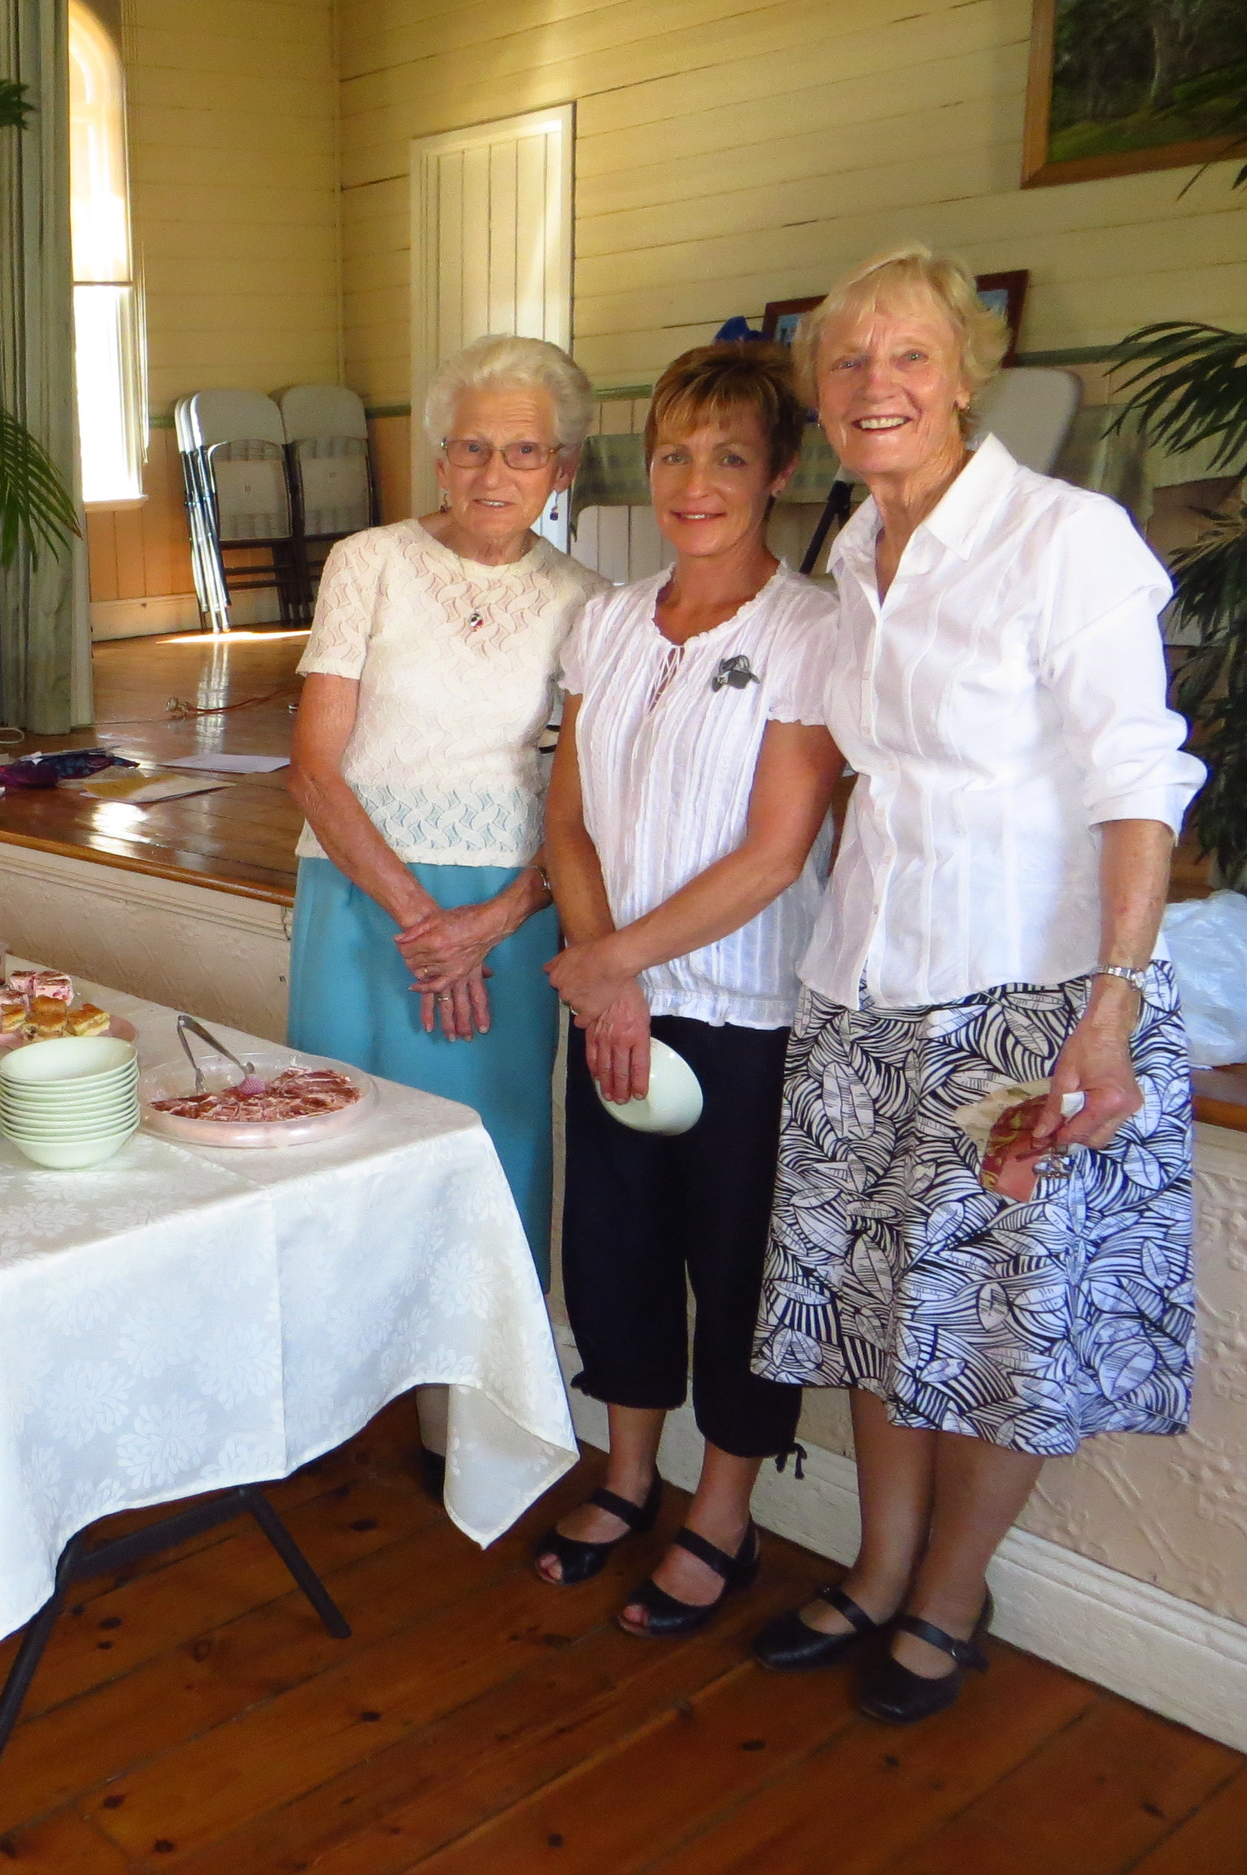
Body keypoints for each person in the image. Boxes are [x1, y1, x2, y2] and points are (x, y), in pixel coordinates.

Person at [745, 243, 1202, 1724]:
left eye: (908, 355)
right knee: (878, 1302)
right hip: (867, 986)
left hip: (1029, 998)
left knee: (1001, 1329)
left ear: (964, 377)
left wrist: (1112, 1004)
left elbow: (1139, 781)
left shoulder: (1065, 537)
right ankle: (880, 1566)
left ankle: (949, 1594)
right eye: (846, 361)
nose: (874, 383)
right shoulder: (856, 549)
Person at [534, 343, 842, 1634]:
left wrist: (616, 963)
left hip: (745, 1014)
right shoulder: (607, 619)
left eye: (727, 456)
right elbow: (569, 821)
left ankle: (723, 1512)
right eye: (673, 454)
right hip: (616, 1002)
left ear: (778, 472)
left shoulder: (812, 630)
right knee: (614, 1247)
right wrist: (606, 975)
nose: (695, 482)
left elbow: (775, 852)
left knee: (737, 1265)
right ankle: (626, 1473)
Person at [288, 334, 609, 1276]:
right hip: (362, 896)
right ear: (440, 458)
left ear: (562, 467)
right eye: (471, 447)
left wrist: (487, 925)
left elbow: (585, 804)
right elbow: (313, 771)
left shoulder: (592, 602)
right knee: (345, 1148)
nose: (493, 472)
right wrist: (426, 924)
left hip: (507, 909)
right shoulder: (368, 562)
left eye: (523, 450)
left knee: (488, 1150)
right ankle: (353, 1372)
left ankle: (487, 1368)